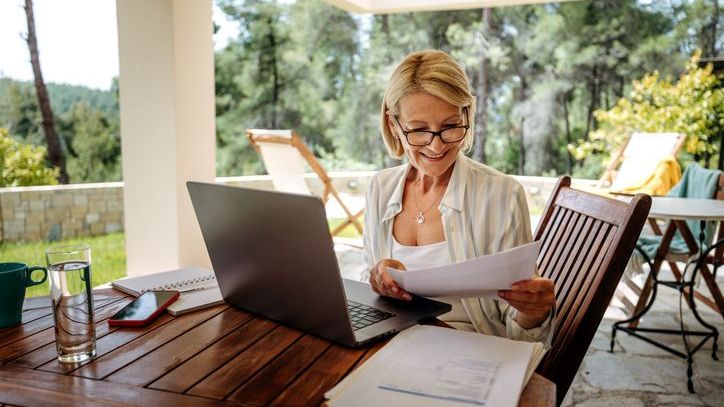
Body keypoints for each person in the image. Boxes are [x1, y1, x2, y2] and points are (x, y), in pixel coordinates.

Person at [363, 49, 555, 345]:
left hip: (469, 352)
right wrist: (377, 280)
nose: (436, 146)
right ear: (393, 126)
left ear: (466, 115)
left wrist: (534, 312)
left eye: (450, 126)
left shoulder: (502, 195)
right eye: (418, 130)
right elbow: (367, 286)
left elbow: (520, 334)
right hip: (390, 343)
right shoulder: (380, 188)